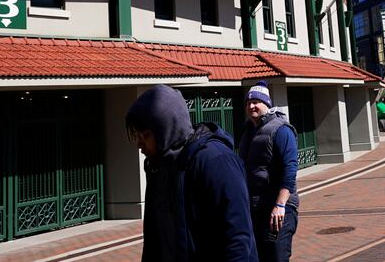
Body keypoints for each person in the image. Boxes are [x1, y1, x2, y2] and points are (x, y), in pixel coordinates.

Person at [125, 85, 257, 262]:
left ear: (166, 128)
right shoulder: (159, 167)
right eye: (137, 137)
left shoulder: (215, 160)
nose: (139, 144)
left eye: (146, 136)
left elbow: (237, 238)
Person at [237, 81, 299, 262]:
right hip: (255, 209)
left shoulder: (281, 130)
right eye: (248, 103)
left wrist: (280, 205)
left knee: (277, 257)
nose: (251, 106)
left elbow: (290, 168)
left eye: (256, 102)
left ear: (267, 104)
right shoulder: (248, 130)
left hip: (280, 210)